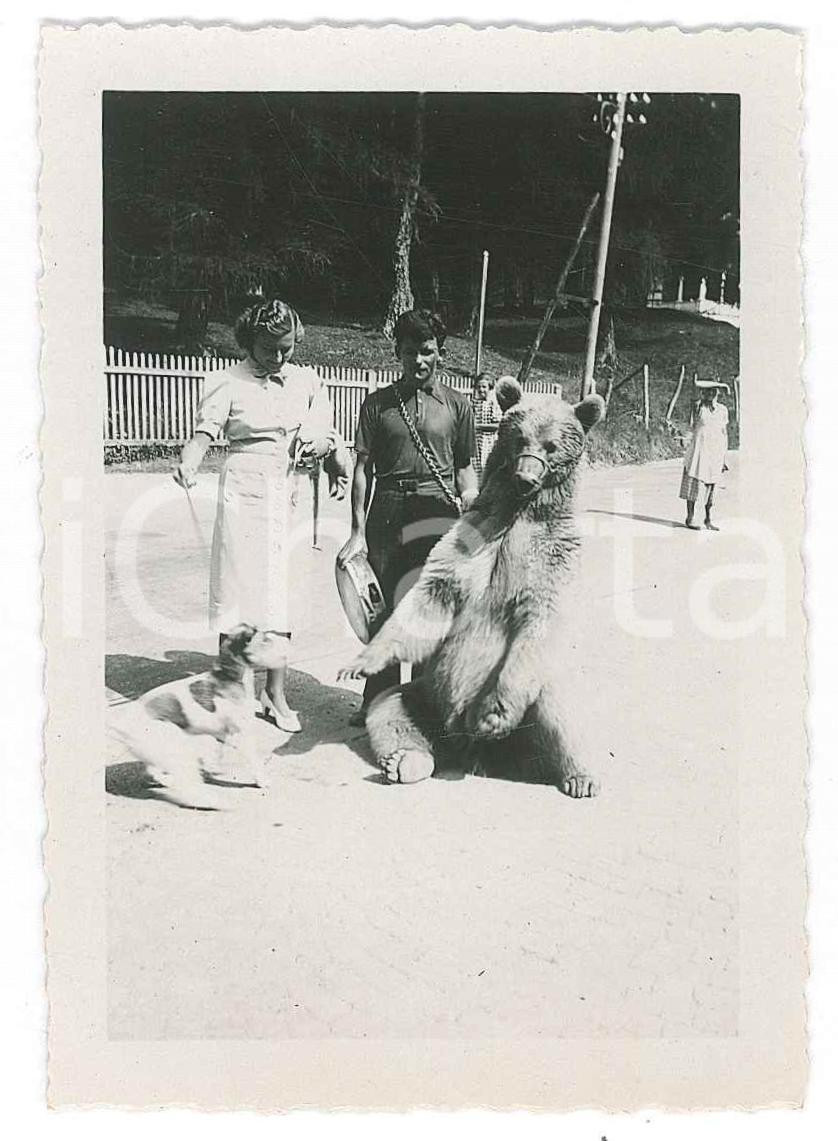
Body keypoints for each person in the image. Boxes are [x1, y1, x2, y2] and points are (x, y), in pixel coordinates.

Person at [174, 297, 342, 731]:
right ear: (249, 341)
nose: (281, 357)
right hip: (245, 491)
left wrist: (326, 451)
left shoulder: (307, 381)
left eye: (287, 347)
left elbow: (326, 431)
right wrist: (190, 461)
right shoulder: (226, 381)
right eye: (271, 349)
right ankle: (231, 695)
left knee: (282, 592)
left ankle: (275, 693)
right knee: (237, 589)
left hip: (291, 489)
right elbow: (204, 432)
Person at [337, 309, 479, 726]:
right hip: (387, 512)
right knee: (380, 609)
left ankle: (418, 704)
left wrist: (471, 497)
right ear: (398, 353)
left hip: (437, 514)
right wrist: (357, 531)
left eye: (427, 352)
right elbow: (362, 469)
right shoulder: (377, 405)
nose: (419, 361)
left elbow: (465, 466)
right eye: (410, 352)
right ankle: (376, 702)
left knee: (426, 611)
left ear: (441, 353)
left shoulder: (458, 405)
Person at [679, 378, 730, 531]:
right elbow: (691, 426)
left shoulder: (722, 410)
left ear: (718, 393)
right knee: (693, 482)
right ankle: (690, 517)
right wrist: (685, 440)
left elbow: (724, 433)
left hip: (715, 450)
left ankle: (708, 519)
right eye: (707, 391)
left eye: (714, 391)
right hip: (699, 449)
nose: (710, 394)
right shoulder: (698, 407)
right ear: (702, 392)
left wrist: (723, 457)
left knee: (712, 484)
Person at [470, 373, 502, 475]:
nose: (481, 390)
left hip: (488, 441)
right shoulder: (473, 403)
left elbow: (497, 426)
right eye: (478, 387)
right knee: (475, 469)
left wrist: (478, 426)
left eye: (484, 387)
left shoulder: (493, 404)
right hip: (476, 441)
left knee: (487, 468)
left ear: (490, 388)